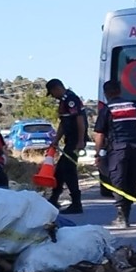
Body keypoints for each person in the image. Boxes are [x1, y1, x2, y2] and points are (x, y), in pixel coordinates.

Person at [93, 80, 136, 229]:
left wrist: (98, 154)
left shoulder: (107, 109)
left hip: (118, 148)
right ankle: (126, 214)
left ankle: (121, 216)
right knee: (132, 179)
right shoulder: (132, 106)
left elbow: (99, 134)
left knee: (117, 179)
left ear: (106, 94)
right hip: (135, 146)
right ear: (120, 91)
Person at [45, 78, 87, 214]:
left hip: (75, 139)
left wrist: (80, 140)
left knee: (68, 170)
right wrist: (56, 140)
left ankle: (76, 203)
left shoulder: (71, 99)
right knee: (60, 170)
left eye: (52, 93)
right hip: (69, 140)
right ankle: (53, 199)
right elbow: (63, 124)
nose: (53, 96)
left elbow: (80, 120)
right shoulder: (63, 101)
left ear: (57, 88)